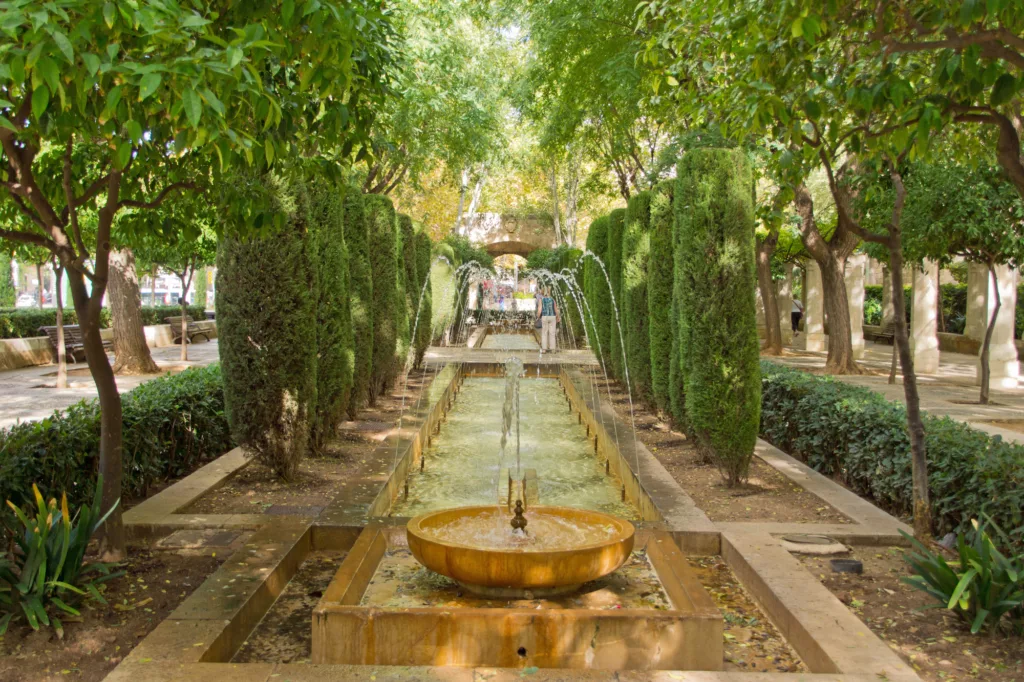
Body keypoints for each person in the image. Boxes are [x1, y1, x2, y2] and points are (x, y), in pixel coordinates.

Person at [536, 287, 559, 352]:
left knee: (544, 333)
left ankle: (544, 349)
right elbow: (555, 309)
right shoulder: (552, 299)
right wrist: (558, 317)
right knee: (552, 333)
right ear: (549, 292)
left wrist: (537, 317)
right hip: (552, 317)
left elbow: (540, 309)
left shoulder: (541, 299)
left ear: (542, 292)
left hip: (545, 317)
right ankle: (553, 349)